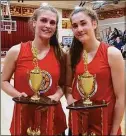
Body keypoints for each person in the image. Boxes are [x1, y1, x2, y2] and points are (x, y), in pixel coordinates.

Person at [1, 5, 67, 135]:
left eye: (52, 22)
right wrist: (18, 95)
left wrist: (57, 96)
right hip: (24, 119)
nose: (48, 25)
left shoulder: (61, 54)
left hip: (53, 120)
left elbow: (65, 84)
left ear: (55, 27)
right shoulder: (16, 51)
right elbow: (3, 81)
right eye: (43, 20)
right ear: (34, 22)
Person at [65, 7, 125, 136]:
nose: (79, 29)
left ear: (94, 23)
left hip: (104, 125)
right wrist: (70, 99)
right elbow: (68, 86)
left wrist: (114, 131)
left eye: (83, 23)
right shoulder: (72, 54)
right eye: (75, 26)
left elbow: (121, 97)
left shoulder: (112, 53)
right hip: (77, 123)